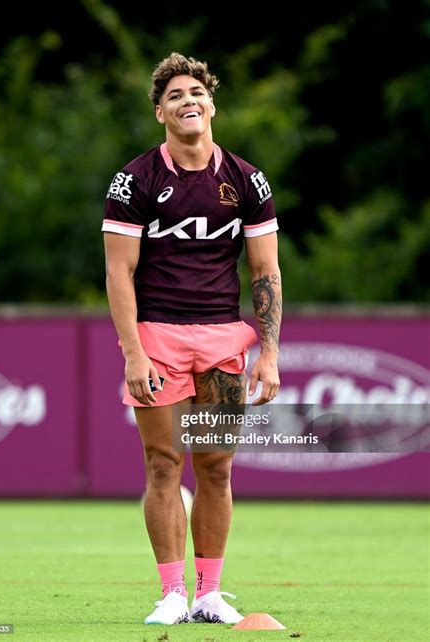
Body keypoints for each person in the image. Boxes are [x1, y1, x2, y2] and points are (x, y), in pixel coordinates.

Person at [102, 52, 282, 625]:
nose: (188, 102)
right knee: (162, 464)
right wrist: (133, 352)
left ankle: (208, 595)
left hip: (222, 341)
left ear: (212, 107)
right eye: (175, 95)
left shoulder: (247, 180)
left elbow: (265, 272)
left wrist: (269, 353)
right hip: (156, 338)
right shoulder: (135, 179)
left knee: (217, 466)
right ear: (161, 112)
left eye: (196, 94)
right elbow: (118, 273)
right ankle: (172, 594)